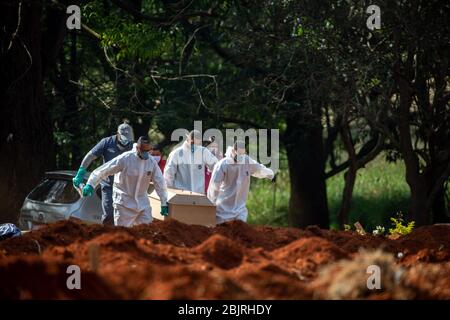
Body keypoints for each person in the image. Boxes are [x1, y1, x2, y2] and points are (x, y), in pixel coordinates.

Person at [81, 136, 168, 227]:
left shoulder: (151, 162)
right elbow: (104, 170)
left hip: (142, 204)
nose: (146, 154)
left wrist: (164, 202)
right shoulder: (125, 158)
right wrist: (90, 184)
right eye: (144, 151)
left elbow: (160, 182)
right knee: (123, 234)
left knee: (147, 231)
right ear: (138, 148)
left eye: (148, 151)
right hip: (123, 204)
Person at [72, 122, 134, 225]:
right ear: (117, 134)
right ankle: (106, 237)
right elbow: (90, 156)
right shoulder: (107, 142)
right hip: (108, 185)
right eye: (123, 138)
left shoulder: (133, 146)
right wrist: (81, 173)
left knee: (125, 218)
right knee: (109, 215)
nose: (125, 141)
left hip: (125, 187)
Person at [207, 141, 274, 224]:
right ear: (233, 151)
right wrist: (210, 206)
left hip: (240, 211)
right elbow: (214, 187)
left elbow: (259, 169)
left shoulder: (247, 161)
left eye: (242, 154)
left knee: (240, 233)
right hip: (222, 211)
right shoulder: (222, 165)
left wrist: (271, 174)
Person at [164, 130, 218, 194]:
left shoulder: (203, 152)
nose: (195, 146)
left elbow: (217, 166)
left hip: (199, 194)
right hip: (180, 194)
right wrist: (170, 192)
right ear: (188, 139)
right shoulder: (176, 153)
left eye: (197, 144)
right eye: (193, 143)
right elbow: (168, 174)